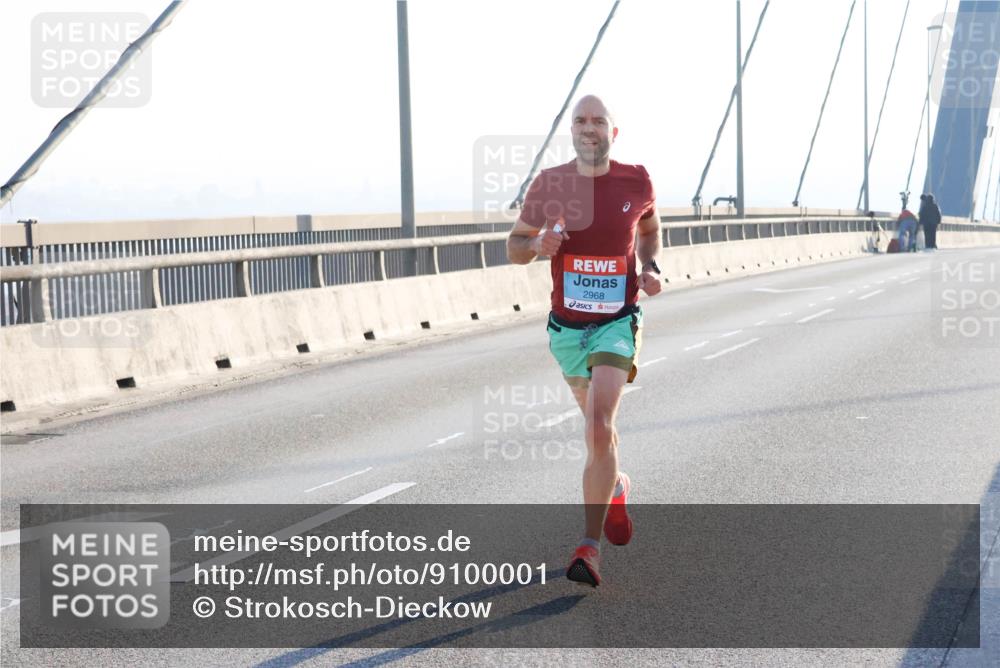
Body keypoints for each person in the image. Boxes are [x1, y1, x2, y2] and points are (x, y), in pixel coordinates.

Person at [506, 95, 663, 587]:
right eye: (580, 120)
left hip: (617, 320)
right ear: (570, 131)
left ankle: (588, 549)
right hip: (567, 330)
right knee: (600, 434)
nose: (588, 127)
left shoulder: (636, 180)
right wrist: (536, 246)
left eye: (598, 120)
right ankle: (614, 487)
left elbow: (651, 230)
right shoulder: (550, 185)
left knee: (598, 424)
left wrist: (651, 266)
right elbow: (514, 247)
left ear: (613, 133)